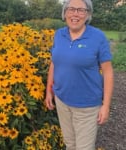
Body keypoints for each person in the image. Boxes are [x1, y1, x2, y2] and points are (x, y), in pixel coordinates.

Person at [44, 0, 114, 150]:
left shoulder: (97, 37)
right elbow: (54, 63)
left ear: (87, 14)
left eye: (81, 10)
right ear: (65, 13)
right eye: (71, 9)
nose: (75, 14)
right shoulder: (59, 35)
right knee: (70, 144)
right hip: (62, 101)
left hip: (87, 106)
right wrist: (49, 90)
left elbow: (108, 72)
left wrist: (106, 106)